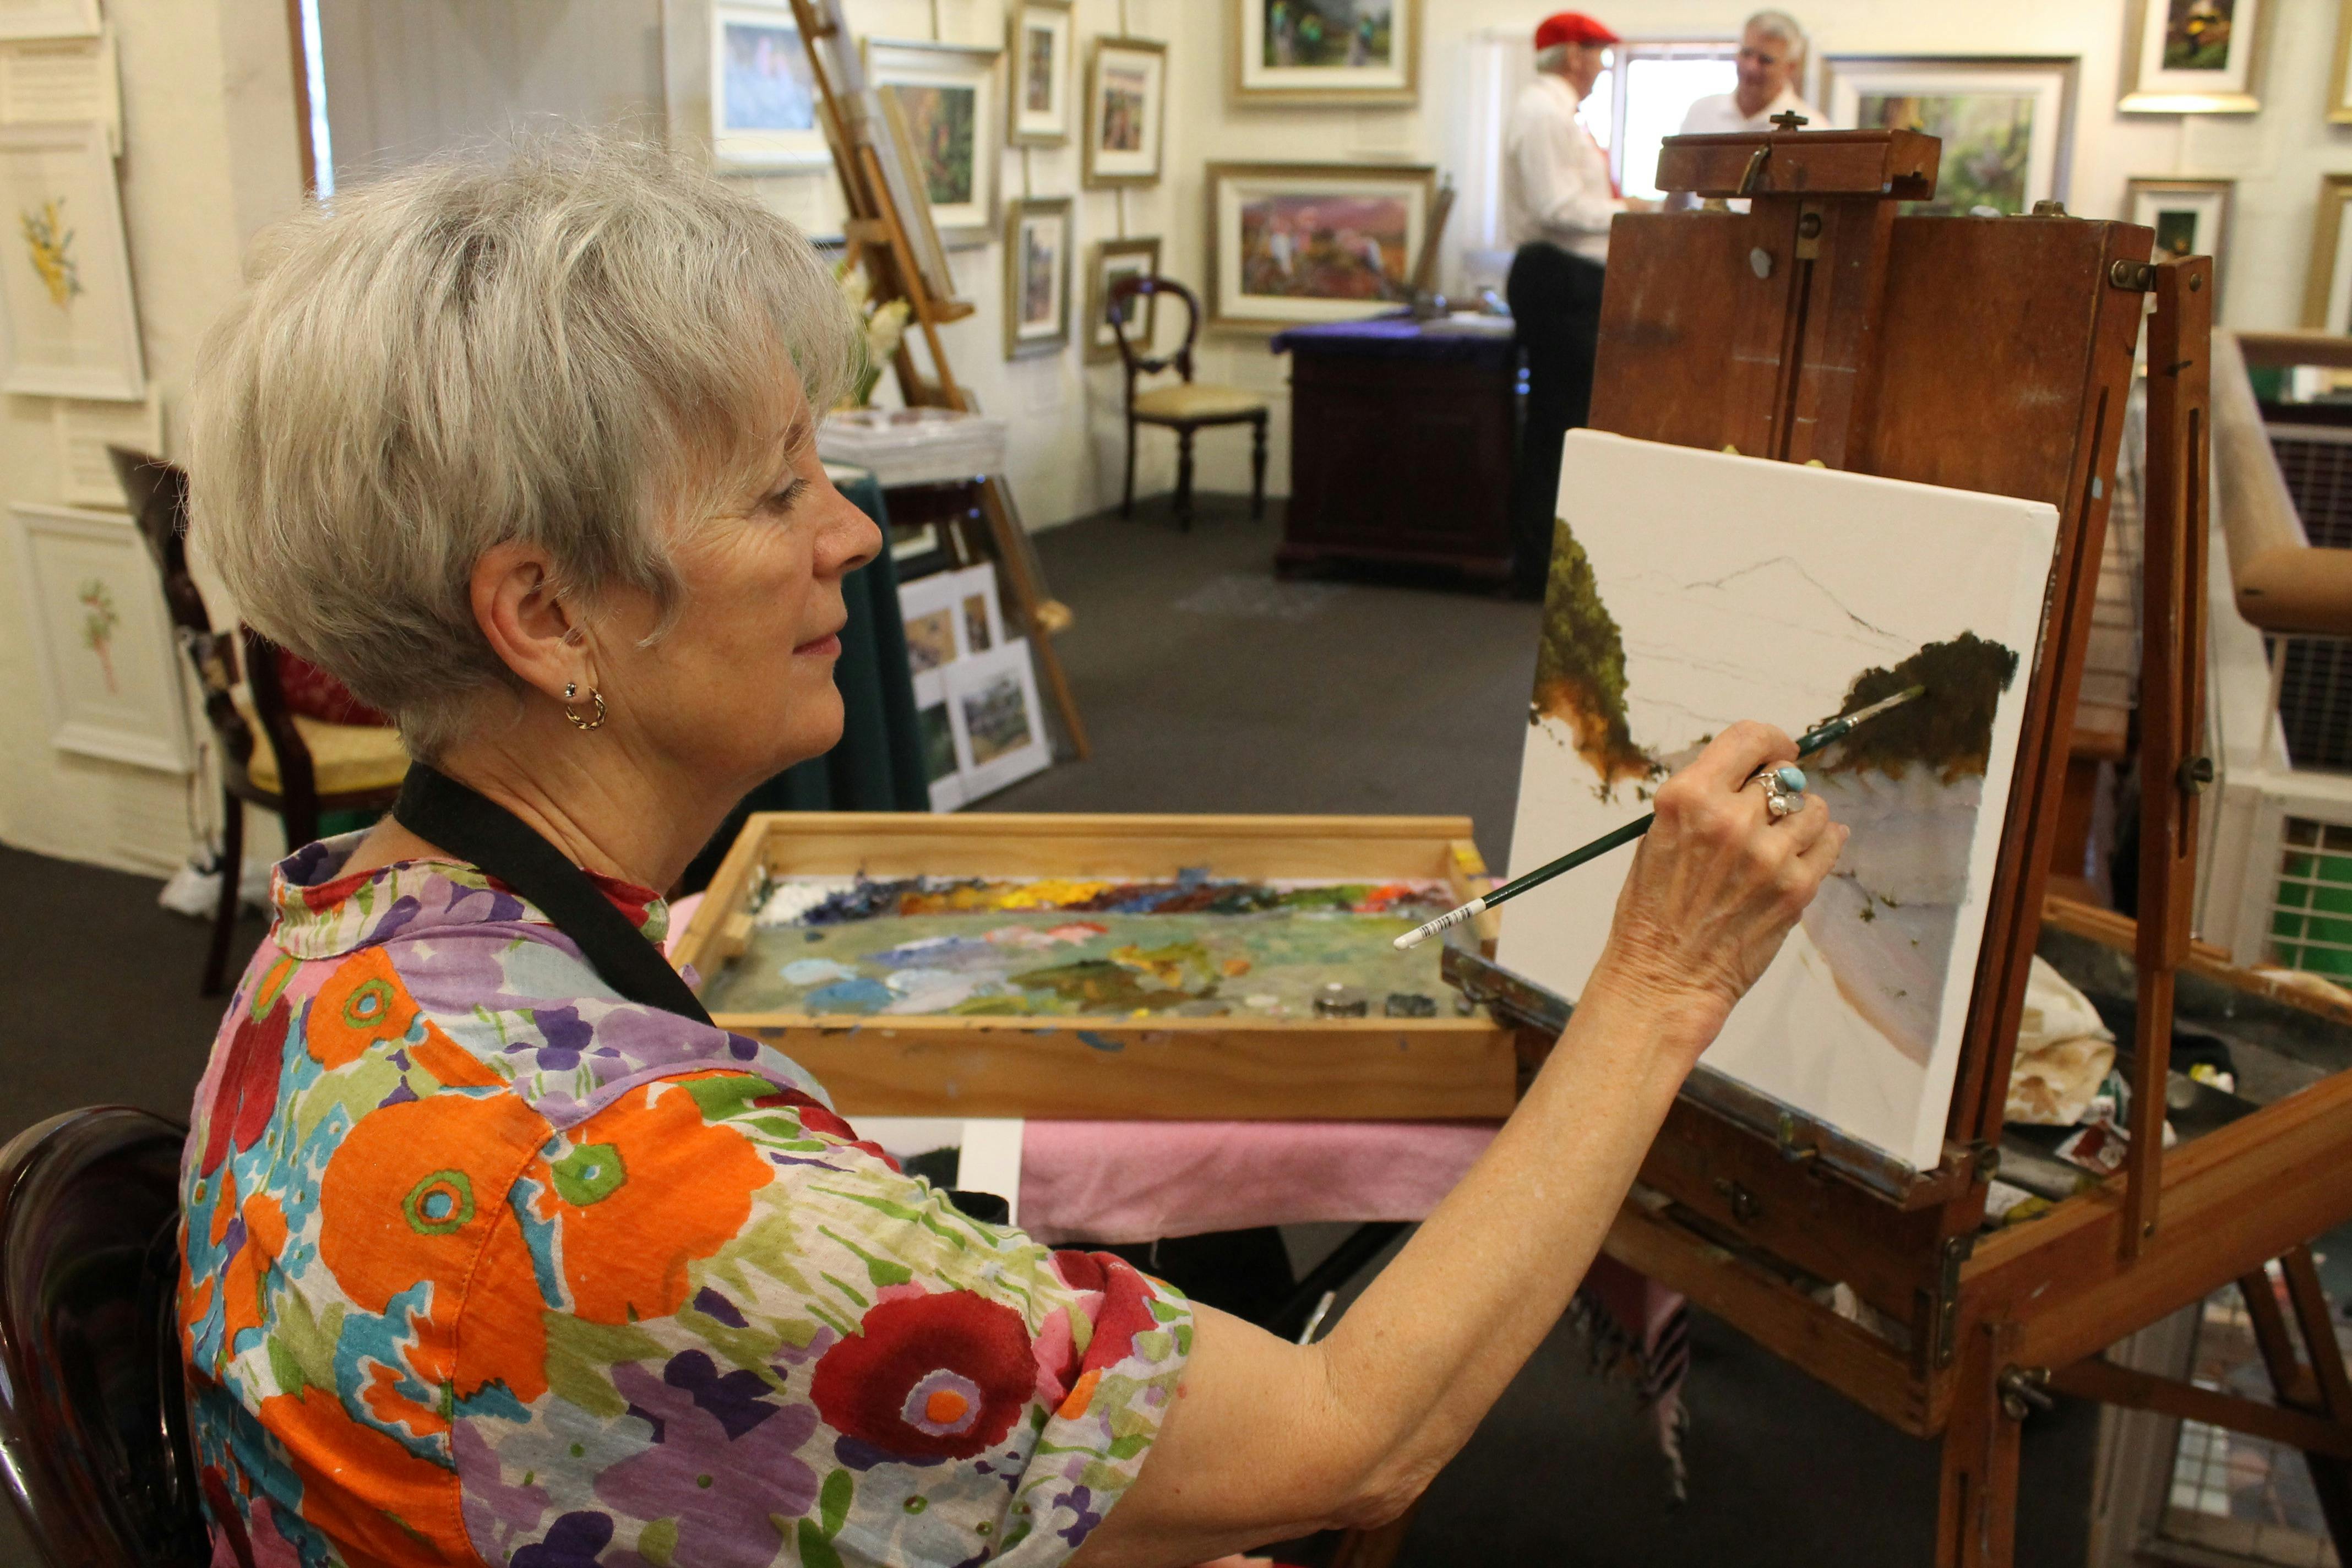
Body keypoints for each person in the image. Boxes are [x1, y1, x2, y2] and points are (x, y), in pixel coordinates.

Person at [176, 131, 1845, 1568]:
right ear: (544, 613)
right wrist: (1658, 976)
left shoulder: (334, 935)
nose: (847, 532)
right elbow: (1346, 1435)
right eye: (776, 492)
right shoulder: (657, 1197)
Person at [1503, 11, 1652, 598]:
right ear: (1572, 56)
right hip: (1557, 278)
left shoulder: (1557, 112)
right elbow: (1554, 207)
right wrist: (1628, 213)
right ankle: (1539, 566)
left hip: (1569, 278)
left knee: (1567, 420)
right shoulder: (1542, 113)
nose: (1600, 69)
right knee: (1558, 425)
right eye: (1598, 57)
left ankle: (1552, 559)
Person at [1678, 10, 1827, 137]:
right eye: (1746, 54)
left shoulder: (1813, 130)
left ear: (1790, 68)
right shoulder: (1702, 112)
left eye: (1765, 60)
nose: (1751, 67)